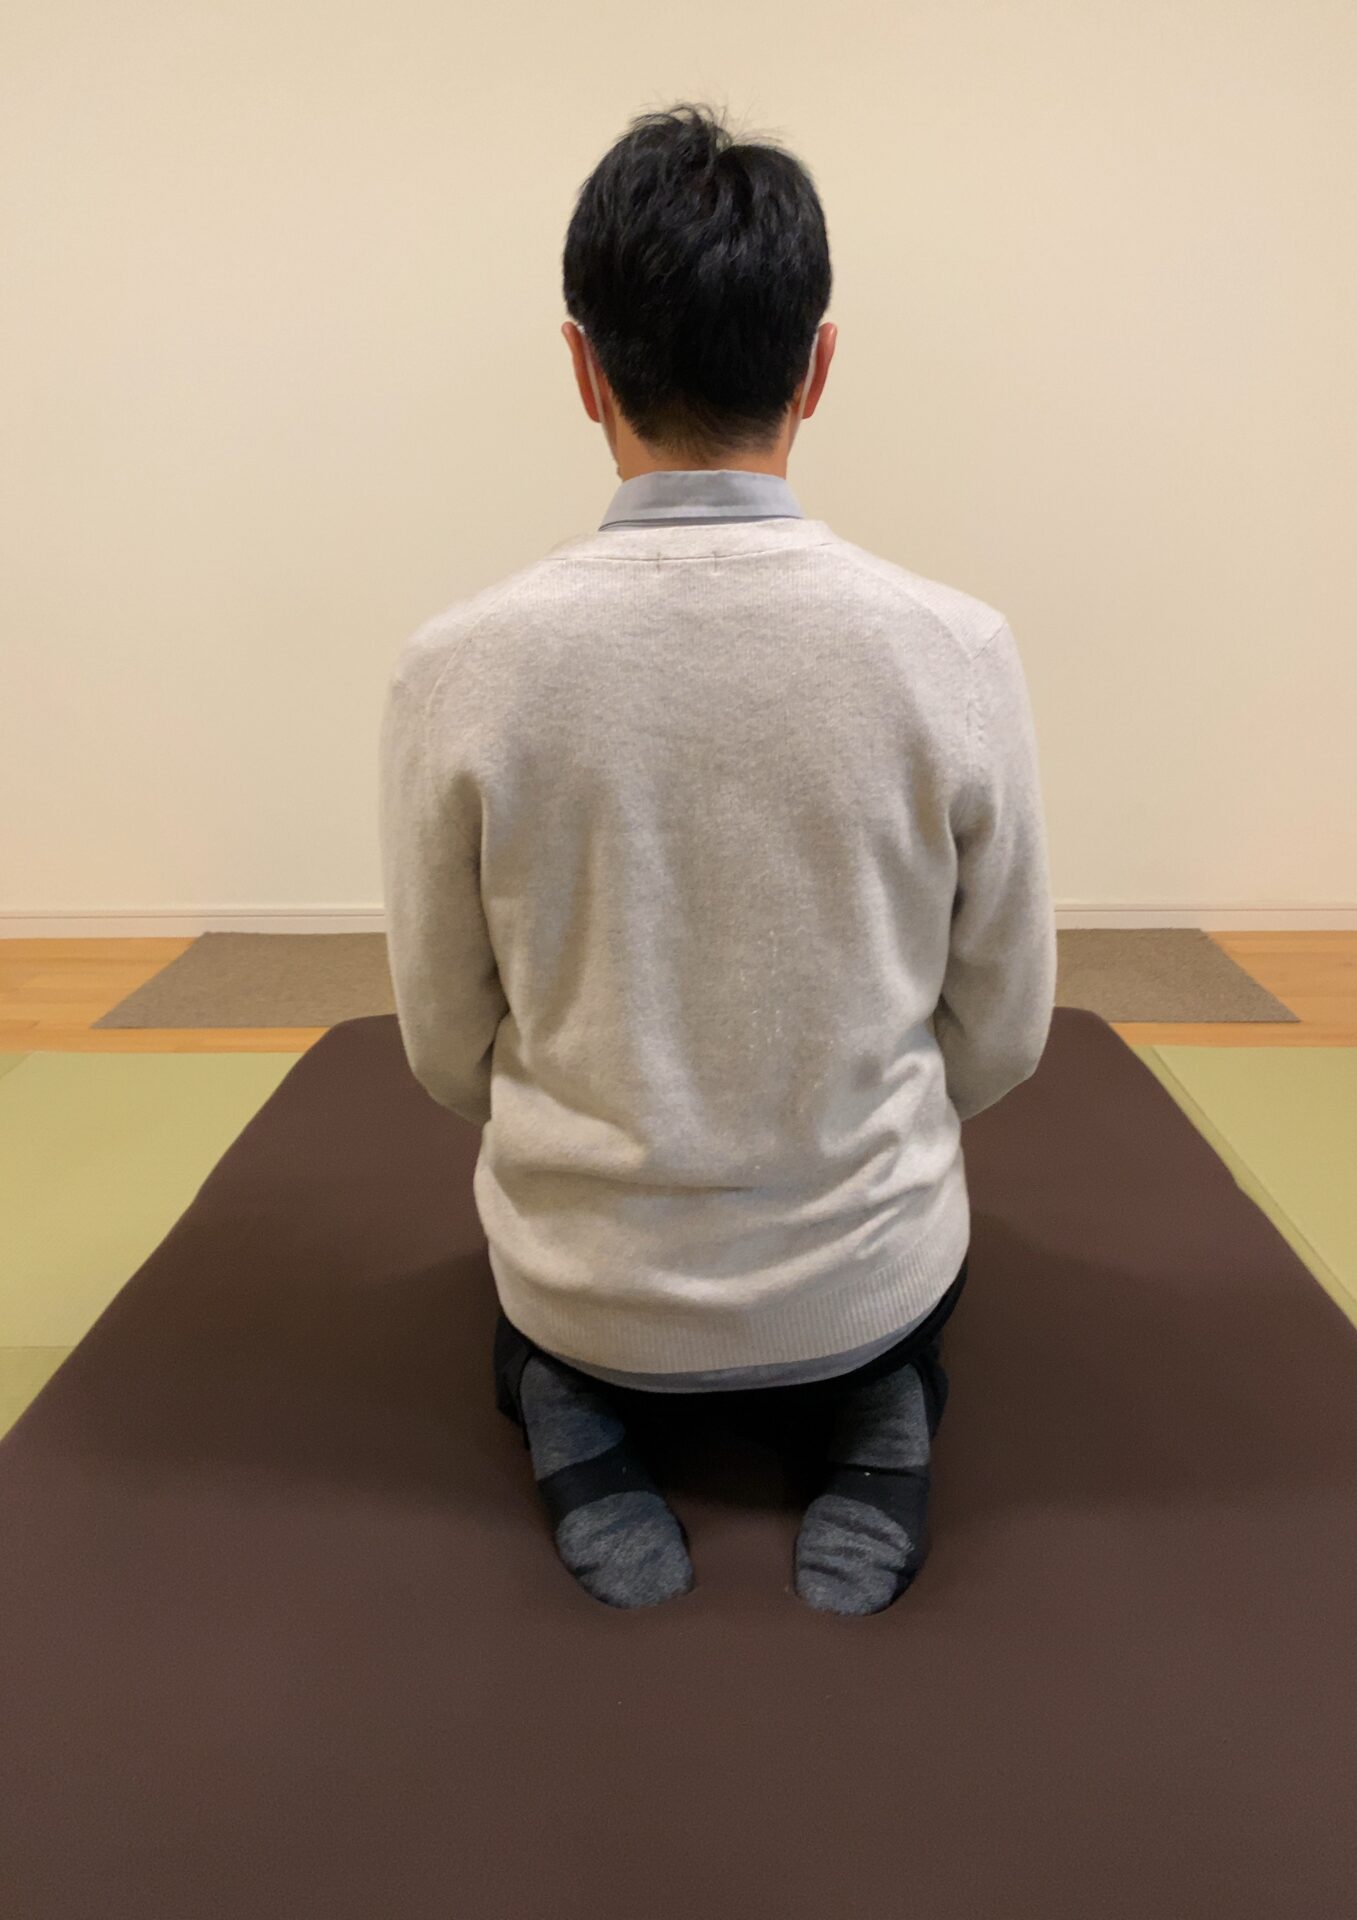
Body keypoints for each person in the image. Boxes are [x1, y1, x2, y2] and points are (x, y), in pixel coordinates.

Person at [378, 101, 1056, 1616]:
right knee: (886, 1327)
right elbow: (1004, 1033)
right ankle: (872, 1402)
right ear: (818, 365)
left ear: (582, 370)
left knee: (546, 1344)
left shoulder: (457, 669)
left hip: (580, 1284)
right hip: (870, 1267)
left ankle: (580, 1405)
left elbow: (441, 1044)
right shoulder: (955, 651)